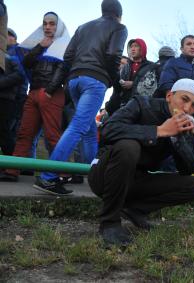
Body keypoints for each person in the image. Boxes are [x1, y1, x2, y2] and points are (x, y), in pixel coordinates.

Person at [89, 78, 194, 246]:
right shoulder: (141, 104)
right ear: (169, 96)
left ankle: (135, 210)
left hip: (136, 181)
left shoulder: (183, 124)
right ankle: (109, 222)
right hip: (104, 175)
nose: (187, 108)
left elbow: (190, 169)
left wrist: (178, 138)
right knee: (129, 146)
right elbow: (108, 129)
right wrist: (159, 131)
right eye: (184, 99)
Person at [34, 0, 128, 195]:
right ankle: (48, 177)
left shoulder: (83, 27)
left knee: (88, 128)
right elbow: (113, 54)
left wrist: (62, 81)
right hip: (94, 81)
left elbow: (68, 56)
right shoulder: (119, 27)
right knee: (79, 126)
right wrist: (115, 81)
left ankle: (91, 172)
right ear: (119, 14)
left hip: (75, 80)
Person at [0, 12, 70, 183]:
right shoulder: (38, 42)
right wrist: (39, 46)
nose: (47, 27)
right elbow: (25, 63)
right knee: (24, 133)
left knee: (52, 135)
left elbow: (64, 69)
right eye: (45, 23)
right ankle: (12, 171)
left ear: (58, 26)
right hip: (34, 92)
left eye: (52, 23)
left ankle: (64, 173)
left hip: (51, 94)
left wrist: (49, 91)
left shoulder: (66, 44)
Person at [156, 35, 194, 172]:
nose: (193, 46)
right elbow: (166, 85)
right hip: (175, 116)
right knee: (172, 150)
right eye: (189, 44)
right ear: (182, 48)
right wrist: (179, 110)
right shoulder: (172, 63)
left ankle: (192, 181)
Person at [105, 38, 157, 115]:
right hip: (122, 106)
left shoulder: (152, 66)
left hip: (141, 106)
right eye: (131, 47)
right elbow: (117, 88)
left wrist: (134, 84)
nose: (133, 49)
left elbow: (153, 86)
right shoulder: (125, 66)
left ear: (142, 48)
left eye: (136, 46)